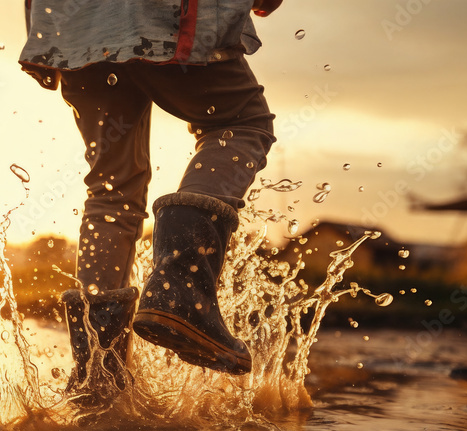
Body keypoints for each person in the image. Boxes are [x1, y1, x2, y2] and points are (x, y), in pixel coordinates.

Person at [19, 0, 281, 392]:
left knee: (111, 189)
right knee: (243, 124)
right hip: (160, 15)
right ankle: (181, 285)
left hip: (77, 27)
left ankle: (98, 374)